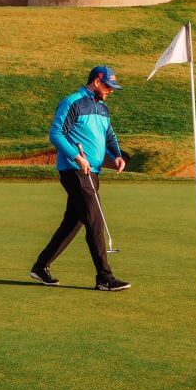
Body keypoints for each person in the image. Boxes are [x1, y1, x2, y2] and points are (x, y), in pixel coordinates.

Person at [30, 65, 131, 291]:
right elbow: (55, 134)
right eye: (108, 86)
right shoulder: (73, 102)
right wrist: (77, 157)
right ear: (97, 80)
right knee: (94, 220)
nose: (111, 91)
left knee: (73, 223)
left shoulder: (102, 108)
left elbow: (109, 135)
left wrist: (117, 155)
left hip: (93, 172)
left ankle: (40, 266)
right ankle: (104, 277)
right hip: (74, 170)